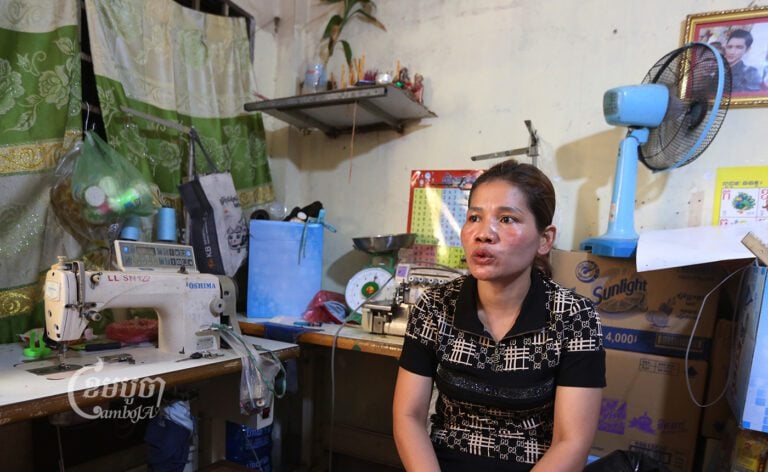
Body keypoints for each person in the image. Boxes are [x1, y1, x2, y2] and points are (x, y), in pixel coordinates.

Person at [393, 159, 606, 471]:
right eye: (474, 217)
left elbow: (571, 442)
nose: (484, 233)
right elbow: (408, 417)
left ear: (544, 240)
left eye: (507, 219)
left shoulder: (575, 317)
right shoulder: (436, 306)